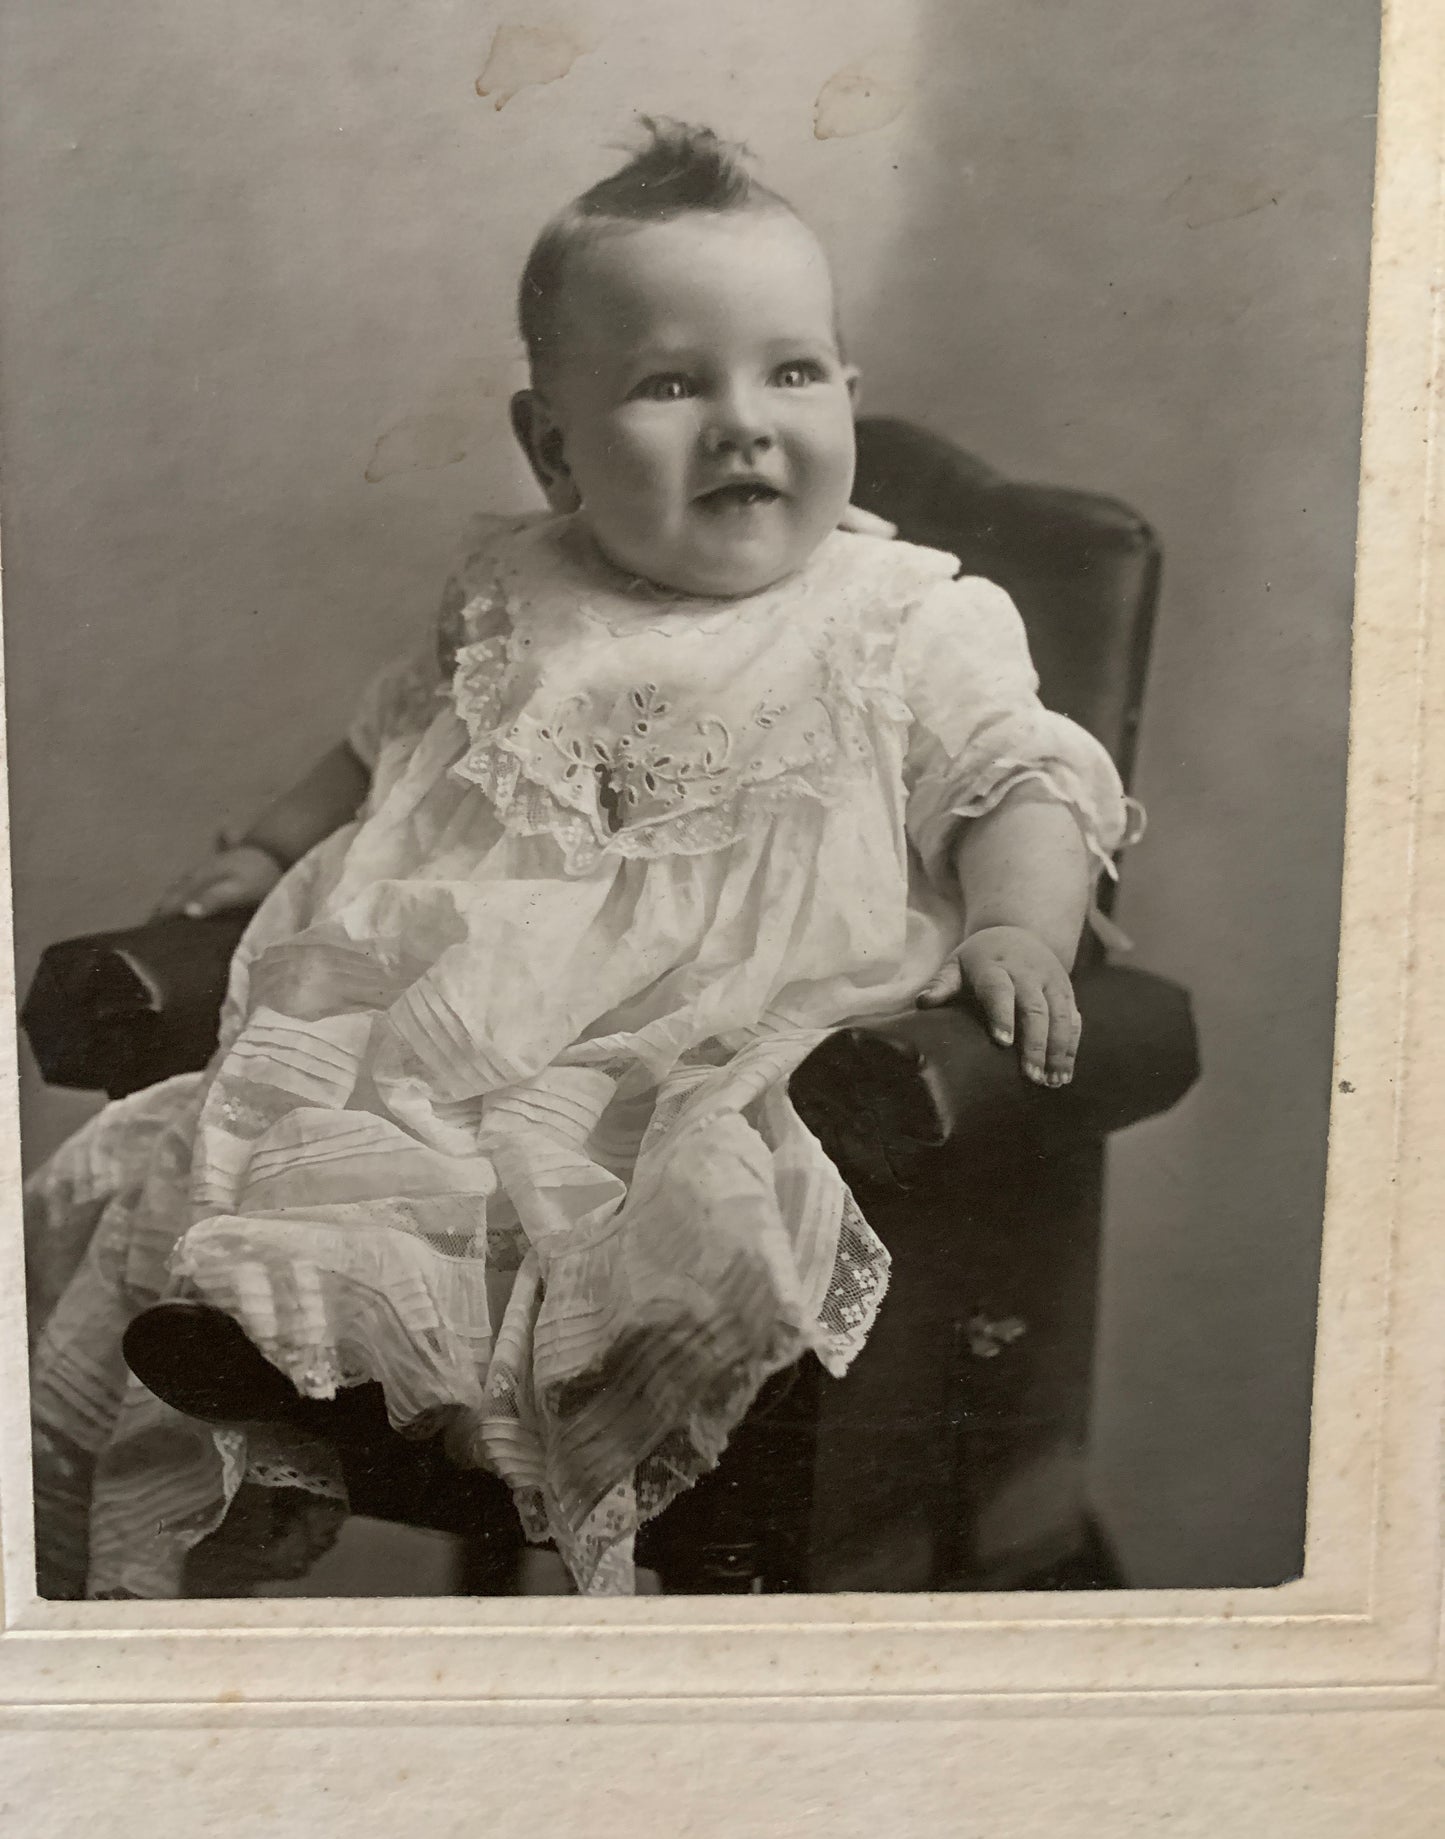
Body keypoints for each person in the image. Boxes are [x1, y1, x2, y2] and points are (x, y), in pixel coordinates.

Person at [26, 118, 1133, 1600]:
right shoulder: (515, 594)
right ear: (551, 445)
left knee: (663, 1199)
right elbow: (384, 746)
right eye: (672, 383)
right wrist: (263, 853)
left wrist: (1013, 926)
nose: (745, 421)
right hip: (461, 1039)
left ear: (848, 397)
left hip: (717, 1045)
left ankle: (374, 1355)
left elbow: (1021, 779)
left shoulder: (905, 615)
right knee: (339, 1154)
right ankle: (269, 1371)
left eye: (790, 372)